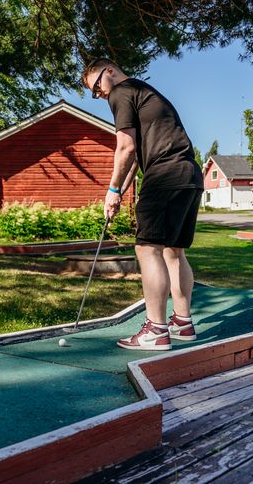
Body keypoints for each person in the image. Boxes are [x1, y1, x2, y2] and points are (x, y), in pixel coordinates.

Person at [82, 58, 204, 351]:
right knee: (175, 251)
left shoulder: (121, 92)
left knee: (148, 248)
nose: (98, 95)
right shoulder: (145, 93)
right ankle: (182, 323)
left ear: (109, 70)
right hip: (188, 173)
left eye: (96, 86)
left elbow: (125, 147)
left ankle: (156, 330)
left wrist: (111, 189)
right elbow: (138, 157)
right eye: (94, 92)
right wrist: (121, 192)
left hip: (164, 175)